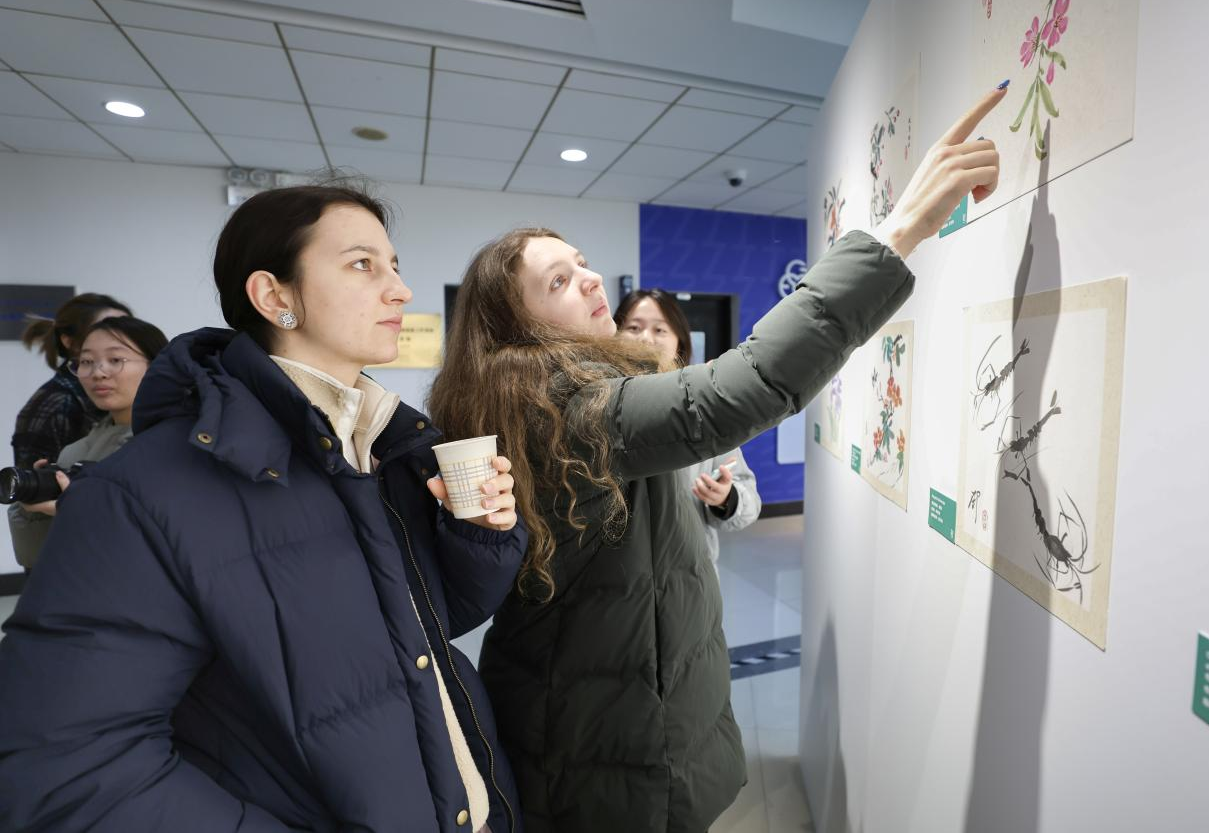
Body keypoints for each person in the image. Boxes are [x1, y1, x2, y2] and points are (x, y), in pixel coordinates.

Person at [428, 86, 1007, 832]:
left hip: (633, 703)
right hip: (599, 733)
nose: (591, 278)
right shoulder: (562, 407)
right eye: (559, 282)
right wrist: (898, 232)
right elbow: (737, 391)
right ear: (517, 329)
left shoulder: (585, 392)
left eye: (581, 263)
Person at [0, 185, 528, 833]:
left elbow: (425, 626)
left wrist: (477, 534)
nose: (400, 290)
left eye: (394, 266)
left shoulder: (383, 450)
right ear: (275, 296)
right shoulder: (141, 493)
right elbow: (70, 772)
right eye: (363, 264)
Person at [613, 288, 761, 573]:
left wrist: (726, 498)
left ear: (679, 342)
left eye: (660, 329)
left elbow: (749, 501)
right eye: (633, 328)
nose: (646, 338)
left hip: (689, 574)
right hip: (619, 576)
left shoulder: (703, 405)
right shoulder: (596, 402)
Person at [8, 316, 168, 568]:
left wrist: (83, 510)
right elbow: (35, 557)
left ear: (156, 365)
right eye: (86, 362)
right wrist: (33, 508)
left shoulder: (175, 443)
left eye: (115, 360)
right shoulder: (74, 453)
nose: (98, 373)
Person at [11, 293, 131, 470]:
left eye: (127, 331)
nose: (122, 340)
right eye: (105, 330)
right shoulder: (56, 405)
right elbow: (32, 482)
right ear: (70, 342)